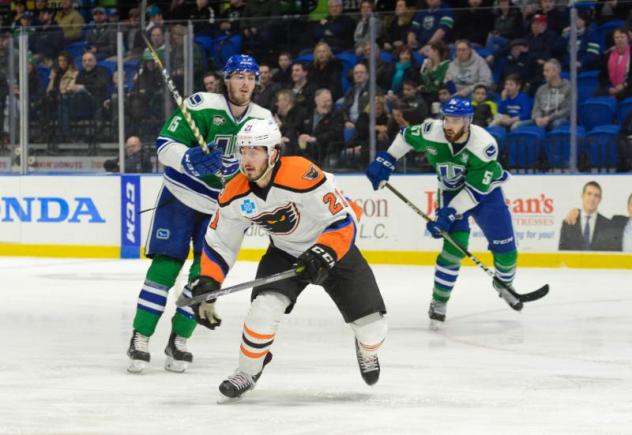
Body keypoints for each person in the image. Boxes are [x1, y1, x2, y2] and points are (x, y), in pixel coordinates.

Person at [188, 118, 388, 399]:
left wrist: (325, 252)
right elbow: (220, 241)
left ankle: (366, 348)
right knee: (263, 310)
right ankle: (248, 370)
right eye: (243, 151)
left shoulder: (302, 174)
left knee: (373, 330)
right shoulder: (234, 192)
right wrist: (209, 280)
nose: (247, 159)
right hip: (284, 252)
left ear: (273, 153)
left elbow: (344, 220)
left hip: (332, 249)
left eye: (255, 151)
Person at [126, 54, 275, 374]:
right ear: (227, 79)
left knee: (204, 276)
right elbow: (165, 145)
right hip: (180, 198)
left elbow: (269, 164)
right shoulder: (201, 104)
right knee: (165, 268)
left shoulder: (263, 119)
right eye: (238, 76)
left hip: (222, 208)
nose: (245, 83)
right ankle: (141, 336)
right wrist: (189, 159)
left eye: (251, 78)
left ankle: (179, 340)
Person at [366, 97, 519, 327]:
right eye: (447, 118)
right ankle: (439, 302)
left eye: (456, 120)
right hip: (450, 192)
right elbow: (405, 136)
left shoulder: (484, 146)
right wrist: (387, 159)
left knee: (506, 249)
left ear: (468, 121)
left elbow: (475, 192)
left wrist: (448, 214)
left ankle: (504, 284)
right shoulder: (431, 131)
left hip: (486, 195)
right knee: (452, 250)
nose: (449, 124)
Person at [558, 181, 619, 251]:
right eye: (589, 194)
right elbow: (562, 254)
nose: (592, 198)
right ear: (582, 195)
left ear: (600, 199)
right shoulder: (568, 223)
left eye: (596, 195)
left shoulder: (608, 225)